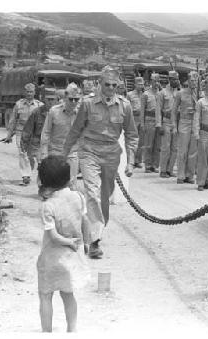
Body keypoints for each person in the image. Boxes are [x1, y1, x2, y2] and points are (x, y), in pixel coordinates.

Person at [62, 66, 138, 259]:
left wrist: (131, 162)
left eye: (114, 85)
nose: (110, 88)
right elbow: (75, 130)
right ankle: (94, 241)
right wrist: (64, 153)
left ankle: (94, 230)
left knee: (104, 197)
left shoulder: (125, 106)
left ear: (118, 85)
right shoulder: (87, 104)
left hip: (111, 155)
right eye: (107, 84)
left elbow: (131, 135)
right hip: (89, 151)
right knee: (93, 193)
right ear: (100, 84)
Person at [36, 155, 90, 332]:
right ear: (68, 177)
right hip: (71, 258)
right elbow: (85, 222)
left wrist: (68, 242)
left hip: (52, 257)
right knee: (68, 295)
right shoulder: (78, 197)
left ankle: (46, 332)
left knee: (45, 295)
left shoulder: (48, 205)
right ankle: (72, 331)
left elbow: (53, 236)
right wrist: (85, 243)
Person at [40, 84, 82, 191]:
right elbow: (46, 132)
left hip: (73, 152)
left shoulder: (82, 113)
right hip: (55, 152)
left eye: (76, 99)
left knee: (71, 184)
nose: (73, 102)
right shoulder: (54, 111)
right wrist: (44, 153)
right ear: (65, 98)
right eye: (71, 99)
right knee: (54, 183)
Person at [5, 83, 43, 185]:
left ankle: (29, 172)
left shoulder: (40, 105)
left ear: (34, 93)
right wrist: (9, 135)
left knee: (31, 155)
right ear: (24, 92)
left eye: (31, 92)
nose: (29, 94)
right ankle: (26, 175)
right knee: (22, 153)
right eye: (27, 92)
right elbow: (13, 120)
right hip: (21, 132)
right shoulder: (19, 104)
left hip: (34, 134)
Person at [21, 89, 59, 174]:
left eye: (52, 99)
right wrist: (24, 145)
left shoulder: (61, 112)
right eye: (48, 99)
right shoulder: (37, 112)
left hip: (56, 144)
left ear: (57, 100)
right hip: (38, 144)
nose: (50, 102)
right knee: (43, 165)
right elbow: (28, 129)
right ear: (44, 100)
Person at [171, 71, 199, 184]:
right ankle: (181, 175)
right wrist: (174, 126)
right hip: (184, 122)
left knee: (193, 151)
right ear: (188, 81)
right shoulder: (180, 93)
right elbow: (173, 111)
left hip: (195, 122)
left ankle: (190, 175)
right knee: (182, 150)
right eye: (192, 80)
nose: (193, 83)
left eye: (195, 81)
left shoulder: (198, 94)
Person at [156, 70, 180, 178]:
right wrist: (159, 125)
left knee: (175, 148)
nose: (177, 81)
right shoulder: (162, 93)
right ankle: (163, 170)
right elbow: (158, 110)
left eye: (177, 79)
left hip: (176, 123)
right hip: (166, 122)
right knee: (165, 147)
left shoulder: (179, 93)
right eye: (174, 79)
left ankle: (170, 170)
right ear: (170, 80)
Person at [140, 73, 161, 173]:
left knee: (157, 145)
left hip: (159, 121)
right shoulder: (146, 94)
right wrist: (142, 124)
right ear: (150, 82)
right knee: (148, 144)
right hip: (149, 120)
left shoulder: (161, 93)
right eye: (154, 81)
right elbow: (142, 111)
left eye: (157, 81)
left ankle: (155, 165)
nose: (156, 83)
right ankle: (148, 165)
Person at [127, 76, 145, 168]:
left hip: (142, 119)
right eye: (139, 84)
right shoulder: (129, 95)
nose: (141, 86)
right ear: (135, 84)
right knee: (133, 141)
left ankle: (138, 160)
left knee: (141, 142)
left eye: (142, 84)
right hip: (133, 118)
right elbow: (127, 108)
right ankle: (131, 161)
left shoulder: (144, 94)